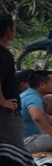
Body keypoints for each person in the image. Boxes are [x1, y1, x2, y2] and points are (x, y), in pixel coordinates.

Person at [19, 71, 52, 153]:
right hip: (25, 142)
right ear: (42, 85)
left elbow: (43, 115)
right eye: (51, 81)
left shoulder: (28, 93)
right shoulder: (33, 97)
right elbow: (37, 117)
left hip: (25, 137)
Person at [0, 13, 19, 150]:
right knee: (15, 150)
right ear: (8, 31)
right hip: (5, 112)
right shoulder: (2, 54)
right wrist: (2, 101)